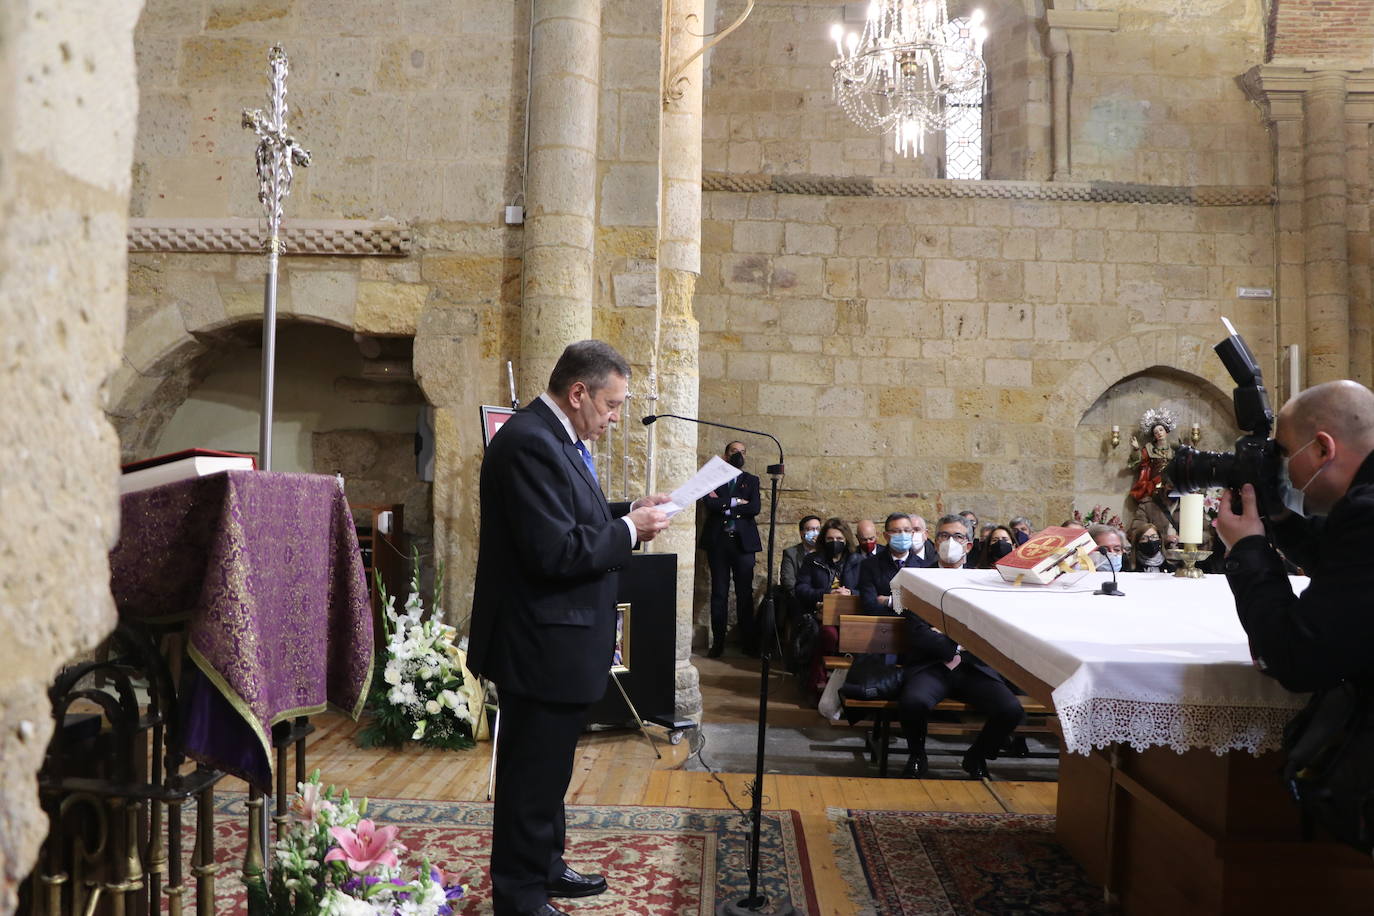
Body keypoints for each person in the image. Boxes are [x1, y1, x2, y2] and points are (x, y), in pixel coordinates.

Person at [468, 340, 672, 916]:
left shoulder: (555, 437)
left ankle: (545, 866)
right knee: (531, 778)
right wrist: (631, 529)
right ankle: (520, 895)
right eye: (611, 405)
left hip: (558, 638)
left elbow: (570, 513)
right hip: (539, 641)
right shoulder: (530, 442)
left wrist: (627, 509)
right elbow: (552, 551)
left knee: (549, 769)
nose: (613, 418)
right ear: (578, 392)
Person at [1214, 379, 1374, 691]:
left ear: (1322, 448)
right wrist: (1283, 520)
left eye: (1283, 453)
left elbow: (1297, 659)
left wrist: (1248, 551)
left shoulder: (1367, 513)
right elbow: (1347, 569)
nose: (1281, 469)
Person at [698, 440, 762, 658]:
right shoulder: (714, 479)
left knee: (745, 593)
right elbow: (710, 504)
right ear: (726, 455)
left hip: (743, 545)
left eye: (742, 452)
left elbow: (754, 508)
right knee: (719, 593)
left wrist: (725, 504)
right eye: (734, 451)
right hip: (719, 543)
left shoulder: (751, 480)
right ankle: (718, 643)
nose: (738, 455)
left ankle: (748, 642)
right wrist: (736, 502)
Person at [795, 518, 865, 696]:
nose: (835, 543)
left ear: (847, 540)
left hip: (851, 616)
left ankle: (848, 686)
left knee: (856, 638)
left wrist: (850, 594)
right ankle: (817, 682)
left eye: (840, 540)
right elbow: (801, 589)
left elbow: (867, 590)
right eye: (830, 540)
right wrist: (826, 594)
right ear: (823, 540)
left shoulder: (858, 560)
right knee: (828, 635)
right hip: (822, 613)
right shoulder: (813, 560)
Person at [859, 512, 932, 613]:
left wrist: (889, 601)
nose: (902, 535)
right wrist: (909, 605)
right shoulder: (869, 565)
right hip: (881, 625)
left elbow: (925, 607)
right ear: (886, 536)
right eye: (896, 531)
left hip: (914, 627)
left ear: (912, 534)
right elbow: (870, 605)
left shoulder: (924, 567)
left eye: (906, 531)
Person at [779, 515, 821, 619]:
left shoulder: (825, 553)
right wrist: (809, 601)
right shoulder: (791, 553)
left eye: (817, 529)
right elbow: (788, 582)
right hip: (800, 600)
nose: (815, 533)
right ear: (802, 533)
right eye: (810, 529)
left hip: (822, 598)